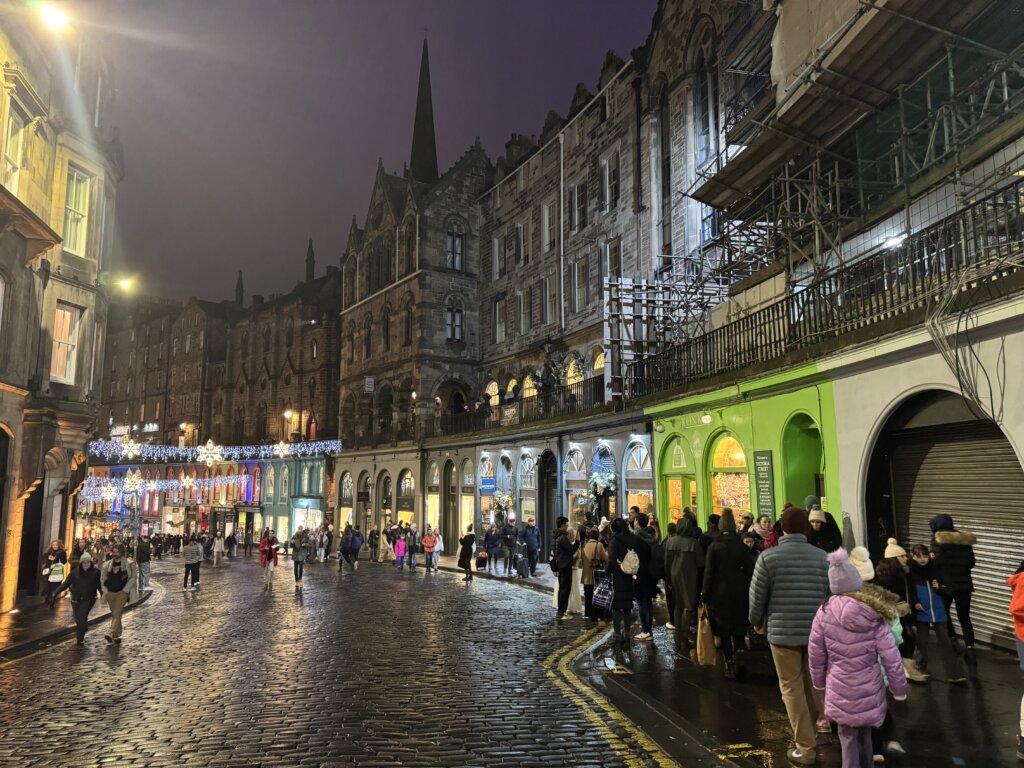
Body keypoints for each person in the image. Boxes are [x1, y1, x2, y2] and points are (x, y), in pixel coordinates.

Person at [809, 549, 908, 768]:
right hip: (868, 686)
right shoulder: (872, 613)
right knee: (866, 735)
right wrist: (899, 688)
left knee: (847, 737)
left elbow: (815, 653)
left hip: (839, 685)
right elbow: (890, 655)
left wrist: (818, 681)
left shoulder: (823, 613)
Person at [748, 507, 830, 766]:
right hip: (817, 632)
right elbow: (831, 595)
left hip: (782, 632)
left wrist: (756, 621)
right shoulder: (822, 558)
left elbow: (757, 596)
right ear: (806, 528)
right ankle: (822, 727)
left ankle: (805, 748)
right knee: (815, 683)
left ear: (781, 528)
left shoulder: (768, 558)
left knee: (791, 687)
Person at [702, 509, 754, 678]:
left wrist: (705, 594)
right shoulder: (741, 547)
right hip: (740, 593)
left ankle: (729, 662)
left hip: (720, 594)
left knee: (724, 631)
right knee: (739, 628)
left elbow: (709, 573)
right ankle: (740, 656)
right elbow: (750, 571)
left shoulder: (714, 547)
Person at [909, 543, 966, 683]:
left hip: (938, 610)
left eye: (925, 556)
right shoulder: (910, 573)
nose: (923, 559)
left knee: (946, 642)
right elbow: (909, 591)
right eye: (919, 556)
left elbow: (950, 590)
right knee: (922, 643)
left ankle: (955, 674)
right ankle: (920, 669)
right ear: (913, 557)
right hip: (921, 611)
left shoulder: (937, 570)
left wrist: (939, 588)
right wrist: (915, 602)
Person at [929, 513, 977, 660]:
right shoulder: (964, 541)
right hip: (964, 585)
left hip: (946, 585)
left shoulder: (938, 541)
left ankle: (952, 640)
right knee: (964, 617)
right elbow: (971, 563)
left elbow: (935, 563)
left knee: (944, 614)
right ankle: (970, 648)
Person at [665, 518, 705, 654]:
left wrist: (668, 580)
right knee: (689, 607)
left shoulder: (670, 541)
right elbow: (700, 562)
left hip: (674, 576)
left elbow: (666, 563)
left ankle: (678, 636)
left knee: (678, 606)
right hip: (690, 576)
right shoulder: (694, 543)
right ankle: (684, 638)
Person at [606, 518, 644, 646]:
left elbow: (611, 559)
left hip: (617, 577)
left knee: (616, 607)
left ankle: (617, 633)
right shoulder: (633, 539)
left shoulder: (614, 540)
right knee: (627, 607)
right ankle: (627, 632)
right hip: (629, 577)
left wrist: (607, 572)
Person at [55, 551, 102, 644]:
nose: (86, 564)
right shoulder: (74, 573)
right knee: (78, 618)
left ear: (91, 563)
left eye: (88, 562)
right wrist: (55, 593)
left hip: (89, 598)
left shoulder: (96, 572)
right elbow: (65, 584)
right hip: (76, 598)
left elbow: (99, 585)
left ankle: (79, 638)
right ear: (81, 563)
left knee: (82, 615)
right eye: (84, 563)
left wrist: (103, 594)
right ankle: (83, 627)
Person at [100, 545, 138, 645]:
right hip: (110, 592)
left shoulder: (129, 564)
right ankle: (117, 634)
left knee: (117, 611)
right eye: (113, 552)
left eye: (117, 552)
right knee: (115, 614)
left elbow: (133, 577)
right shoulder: (107, 564)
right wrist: (105, 590)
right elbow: (103, 578)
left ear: (121, 552)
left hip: (122, 592)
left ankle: (111, 633)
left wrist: (126, 589)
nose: (114, 554)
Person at [632, 513, 659, 639]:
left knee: (642, 601)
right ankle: (649, 630)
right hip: (652, 571)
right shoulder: (653, 534)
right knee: (647, 601)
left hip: (641, 572)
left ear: (637, 522)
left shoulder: (637, 537)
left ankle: (645, 630)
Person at [552, 517, 578, 619]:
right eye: (566, 525)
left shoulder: (556, 536)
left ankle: (561, 611)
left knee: (562, 588)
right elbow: (571, 550)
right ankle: (562, 611)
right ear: (562, 525)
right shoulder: (563, 538)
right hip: (565, 565)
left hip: (560, 565)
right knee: (565, 589)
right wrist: (577, 542)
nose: (567, 526)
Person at [580, 528, 607, 621]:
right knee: (597, 595)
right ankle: (596, 614)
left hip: (586, 576)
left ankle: (588, 613)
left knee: (588, 595)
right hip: (596, 575)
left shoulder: (585, 545)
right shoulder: (599, 545)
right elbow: (606, 558)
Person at [41, 540, 68, 607]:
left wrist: (56, 558)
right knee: (47, 586)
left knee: (55, 587)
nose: (54, 546)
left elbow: (64, 561)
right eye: (53, 545)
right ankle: (47, 598)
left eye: (56, 545)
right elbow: (43, 559)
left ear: (59, 545)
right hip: (48, 572)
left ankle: (52, 599)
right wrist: (48, 558)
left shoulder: (62, 552)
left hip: (56, 572)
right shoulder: (49, 552)